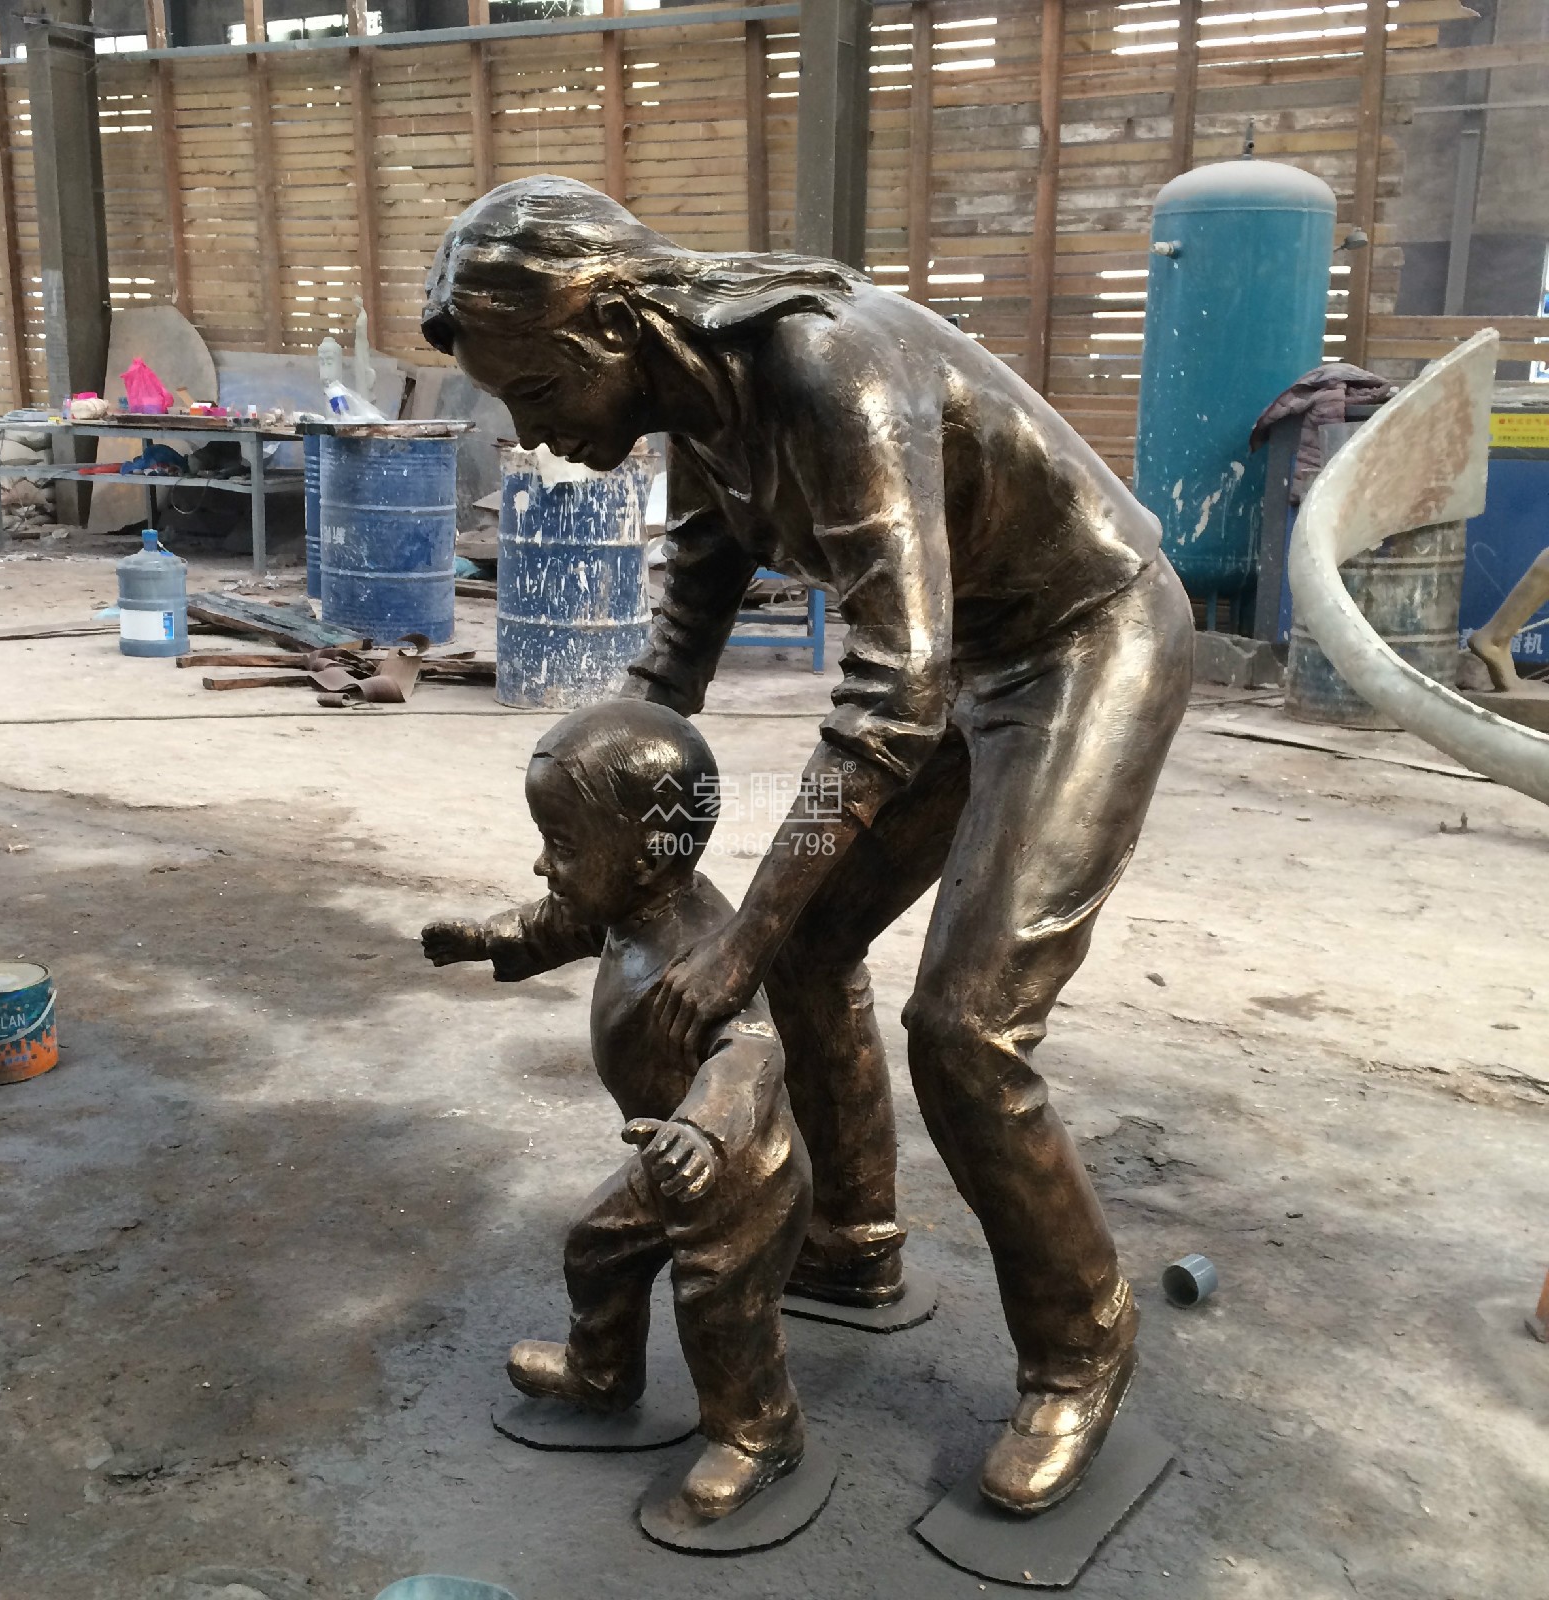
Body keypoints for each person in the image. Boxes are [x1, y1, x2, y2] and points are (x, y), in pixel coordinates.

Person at [422, 177, 1194, 1514]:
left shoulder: (828, 369)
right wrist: (595, 812)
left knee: (967, 1026)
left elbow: (891, 697)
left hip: (1083, 640)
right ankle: (852, 1234)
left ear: (612, 329)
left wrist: (736, 940)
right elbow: (681, 639)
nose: (531, 433)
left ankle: (1081, 1344)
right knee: (812, 943)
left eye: (535, 391)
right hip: (952, 664)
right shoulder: (696, 400)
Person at [421, 700, 813, 1521]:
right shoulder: (628, 907)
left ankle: (758, 1433)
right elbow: (559, 922)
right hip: (664, 1158)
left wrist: (701, 1132)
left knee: (721, 1311)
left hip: (737, 1175)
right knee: (598, 1248)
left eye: (562, 845)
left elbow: (749, 1051)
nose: (542, 864)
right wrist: (490, 938)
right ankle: (601, 1372)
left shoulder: (706, 953)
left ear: (644, 855)